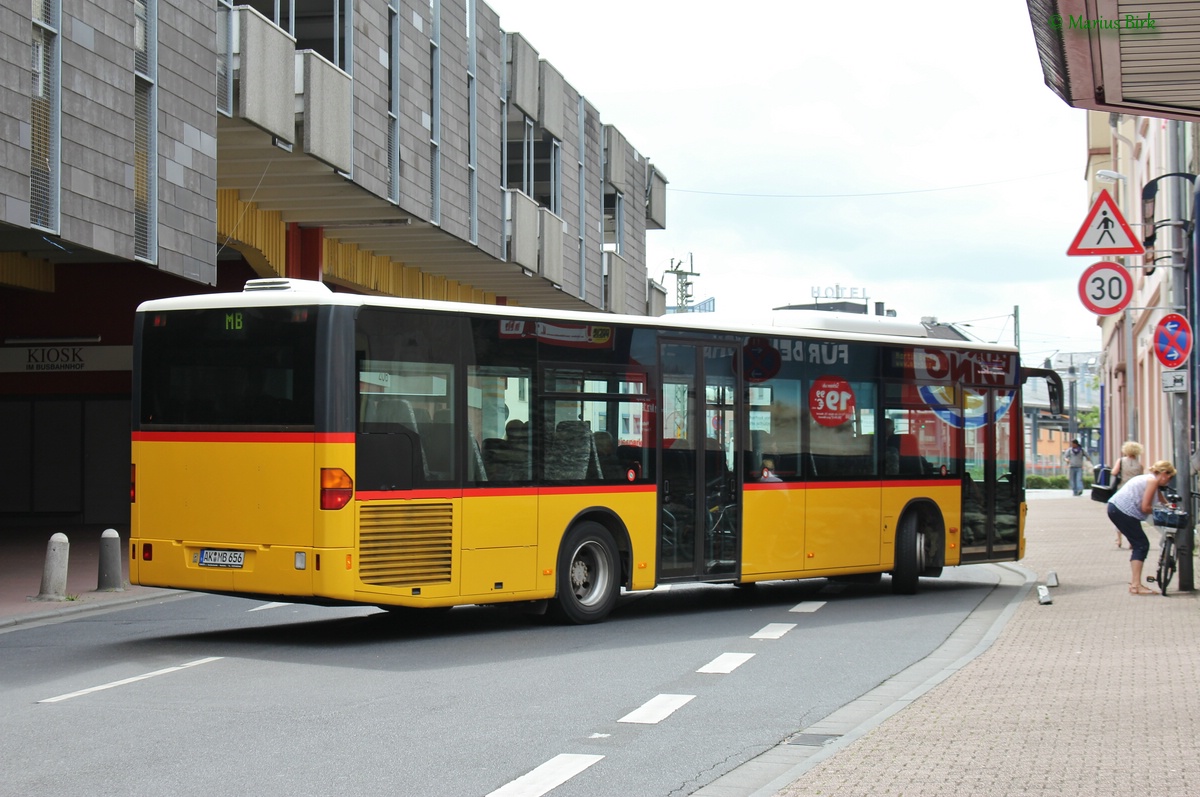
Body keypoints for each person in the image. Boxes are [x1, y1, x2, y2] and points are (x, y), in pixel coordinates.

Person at [1106, 459, 1176, 595]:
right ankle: (1136, 585)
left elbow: (1161, 499)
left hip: (1116, 508)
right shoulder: (1152, 481)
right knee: (1141, 545)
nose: (1169, 481)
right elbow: (1145, 507)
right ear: (1164, 474)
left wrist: (1169, 507)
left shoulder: (1149, 479)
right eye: (1170, 477)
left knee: (1139, 543)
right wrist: (1160, 512)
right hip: (1123, 510)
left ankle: (1135, 584)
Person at [1110, 440, 1144, 548]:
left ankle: (1119, 539)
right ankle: (1131, 541)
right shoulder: (1139, 465)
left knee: (1119, 516)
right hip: (1135, 493)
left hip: (1121, 490)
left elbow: (1114, 472)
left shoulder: (1120, 461)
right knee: (1132, 516)